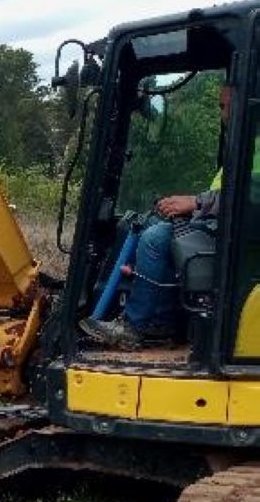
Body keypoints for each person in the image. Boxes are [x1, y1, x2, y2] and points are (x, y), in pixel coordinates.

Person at [79, 83, 234, 350]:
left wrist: (195, 202)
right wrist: (188, 203)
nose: (222, 113)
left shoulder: (253, 143)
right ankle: (154, 320)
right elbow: (225, 191)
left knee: (153, 237)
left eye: (224, 106)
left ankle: (136, 326)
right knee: (136, 224)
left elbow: (247, 194)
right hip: (217, 219)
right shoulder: (242, 141)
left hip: (231, 229)